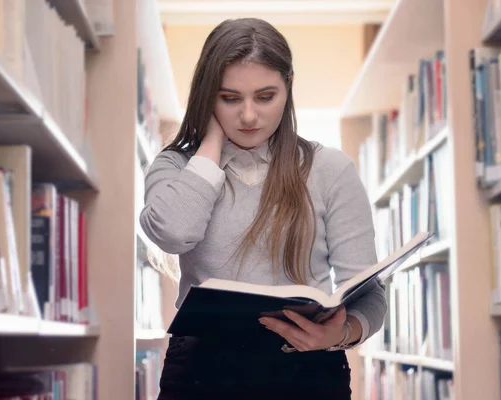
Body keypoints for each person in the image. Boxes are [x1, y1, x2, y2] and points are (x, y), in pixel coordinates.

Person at [140, 17, 387, 400]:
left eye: (265, 96)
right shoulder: (175, 167)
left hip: (306, 370)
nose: (249, 116)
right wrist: (209, 148)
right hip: (201, 374)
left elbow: (369, 295)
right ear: (207, 97)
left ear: (288, 87)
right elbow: (173, 232)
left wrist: (341, 332)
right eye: (230, 98)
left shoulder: (331, 169)